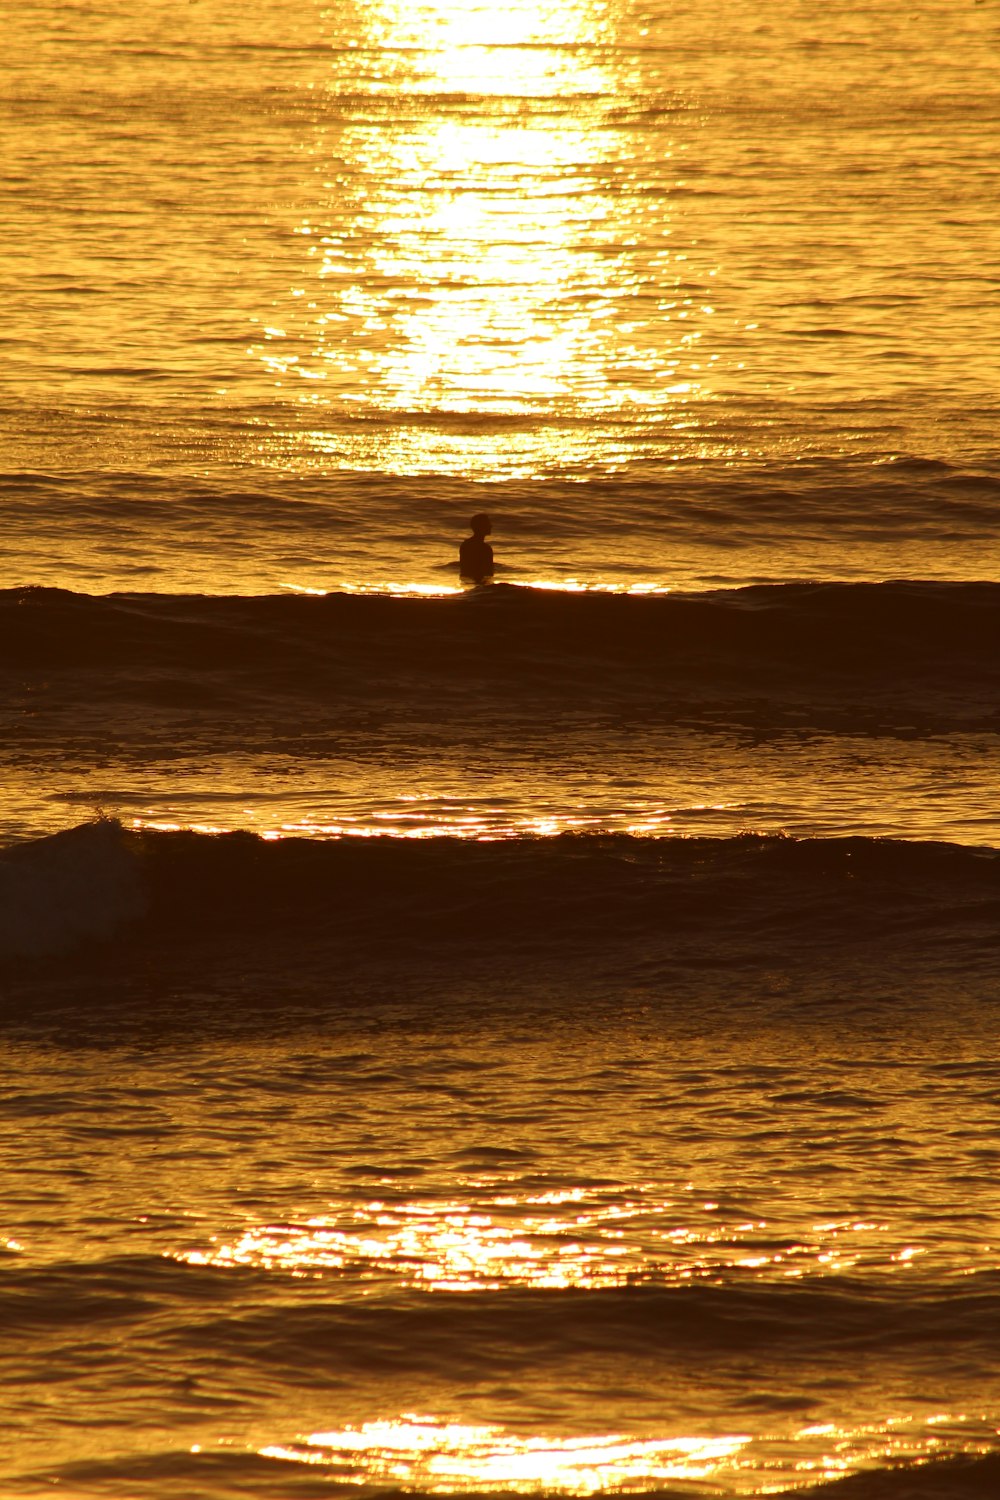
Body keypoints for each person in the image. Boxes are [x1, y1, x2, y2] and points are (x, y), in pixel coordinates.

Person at [458, 513, 494, 585]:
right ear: (481, 526)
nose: (491, 526)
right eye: (487, 523)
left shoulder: (466, 545)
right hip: (477, 583)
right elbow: (486, 571)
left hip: (469, 583)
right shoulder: (485, 548)